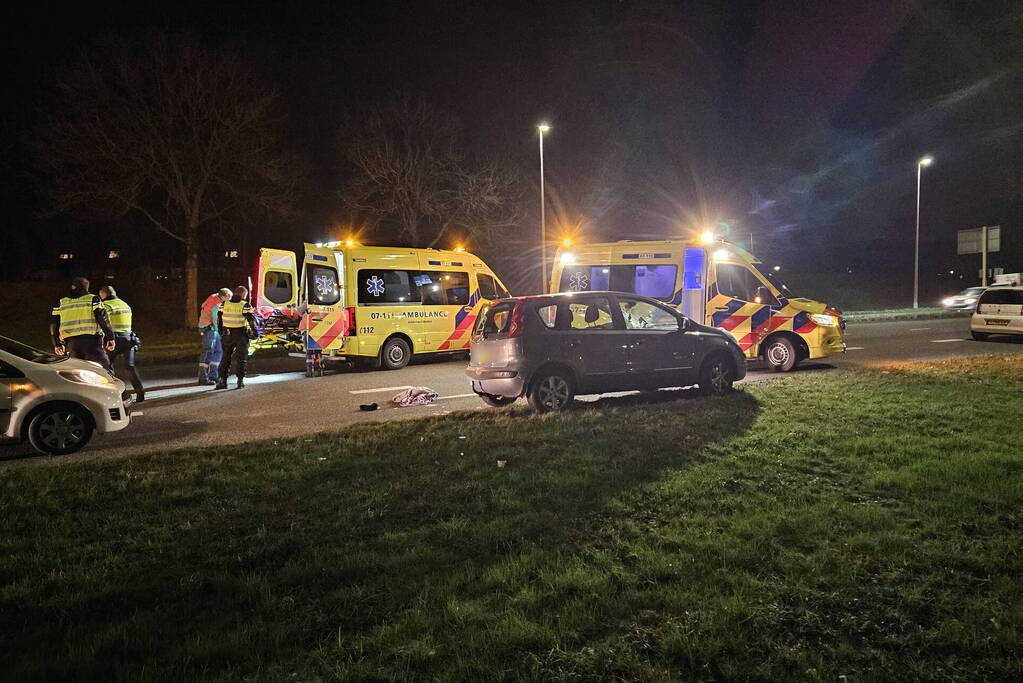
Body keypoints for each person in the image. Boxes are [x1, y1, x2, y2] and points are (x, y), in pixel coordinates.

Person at [50, 276, 114, 372]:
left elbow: (55, 324)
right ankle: (115, 387)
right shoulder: (93, 299)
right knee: (105, 371)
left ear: (72, 287)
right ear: (86, 287)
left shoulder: (61, 302)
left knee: (77, 374)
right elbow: (102, 319)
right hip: (92, 343)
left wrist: (57, 344)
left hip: (72, 344)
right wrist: (110, 337)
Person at [98, 285, 145, 402]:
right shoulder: (125, 304)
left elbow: (101, 324)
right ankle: (140, 393)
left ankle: (113, 395)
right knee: (130, 367)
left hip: (112, 340)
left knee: (107, 367)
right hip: (128, 340)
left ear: (103, 295)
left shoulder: (104, 306)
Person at [216, 285, 257, 390]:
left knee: (225, 358)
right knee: (241, 358)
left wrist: (220, 331)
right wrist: (255, 333)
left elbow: (219, 319)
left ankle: (222, 380)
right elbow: (251, 320)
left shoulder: (224, 304)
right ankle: (240, 381)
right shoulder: (245, 305)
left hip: (227, 334)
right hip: (240, 334)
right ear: (244, 294)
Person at [197, 288, 232, 385]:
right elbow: (215, 319)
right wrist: (220, 332)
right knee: (208, 351)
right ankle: (203, 378)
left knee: (218, 351)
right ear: (224, 297)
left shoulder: (214, 296)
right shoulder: (217, 304)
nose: (230, 299)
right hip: (209, 328)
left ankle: (213, 375)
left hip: (208, 327)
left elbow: (203, 306)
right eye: (229, 297)